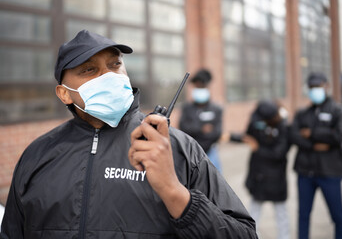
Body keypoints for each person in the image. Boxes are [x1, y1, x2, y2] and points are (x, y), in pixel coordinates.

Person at [1, 30, 257, 239]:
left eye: (115, 64)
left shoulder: (178, 148)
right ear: (64, 93)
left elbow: (244, 234)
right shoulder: (37, 156)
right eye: (89, 70)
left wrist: (174, 192)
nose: (109, 76)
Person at [290, 72, 342, 239]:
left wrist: (312, 132)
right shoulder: (303, 113)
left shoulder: (339, 110)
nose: (315, 90)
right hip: (305, 172)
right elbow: (294, 136)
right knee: (303, 215)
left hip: (330, 172)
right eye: (312, 87)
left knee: (338, 216)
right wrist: (316, 144)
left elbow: (338, 136)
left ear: (326, 86)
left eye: (318, 86)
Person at [227, 100, 291, 239]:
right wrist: (232, 136)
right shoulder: (257, 122)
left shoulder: (284, 126)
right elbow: (248, 137)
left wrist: (258, 148)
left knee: (281, 213)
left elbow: (278, 153)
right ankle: (253, 236)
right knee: (254, 212)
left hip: (276, 179)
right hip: (259, 175)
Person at [179, 69, 223, 172]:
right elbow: (183, 127)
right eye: (197, 86)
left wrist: (194, 129)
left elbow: (217, 133)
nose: (199, 89)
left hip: (210, 152)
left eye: (201, 86)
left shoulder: (216, 109)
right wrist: (201, 129)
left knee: (214, 182)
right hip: (190, 151)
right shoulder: (187, 108)